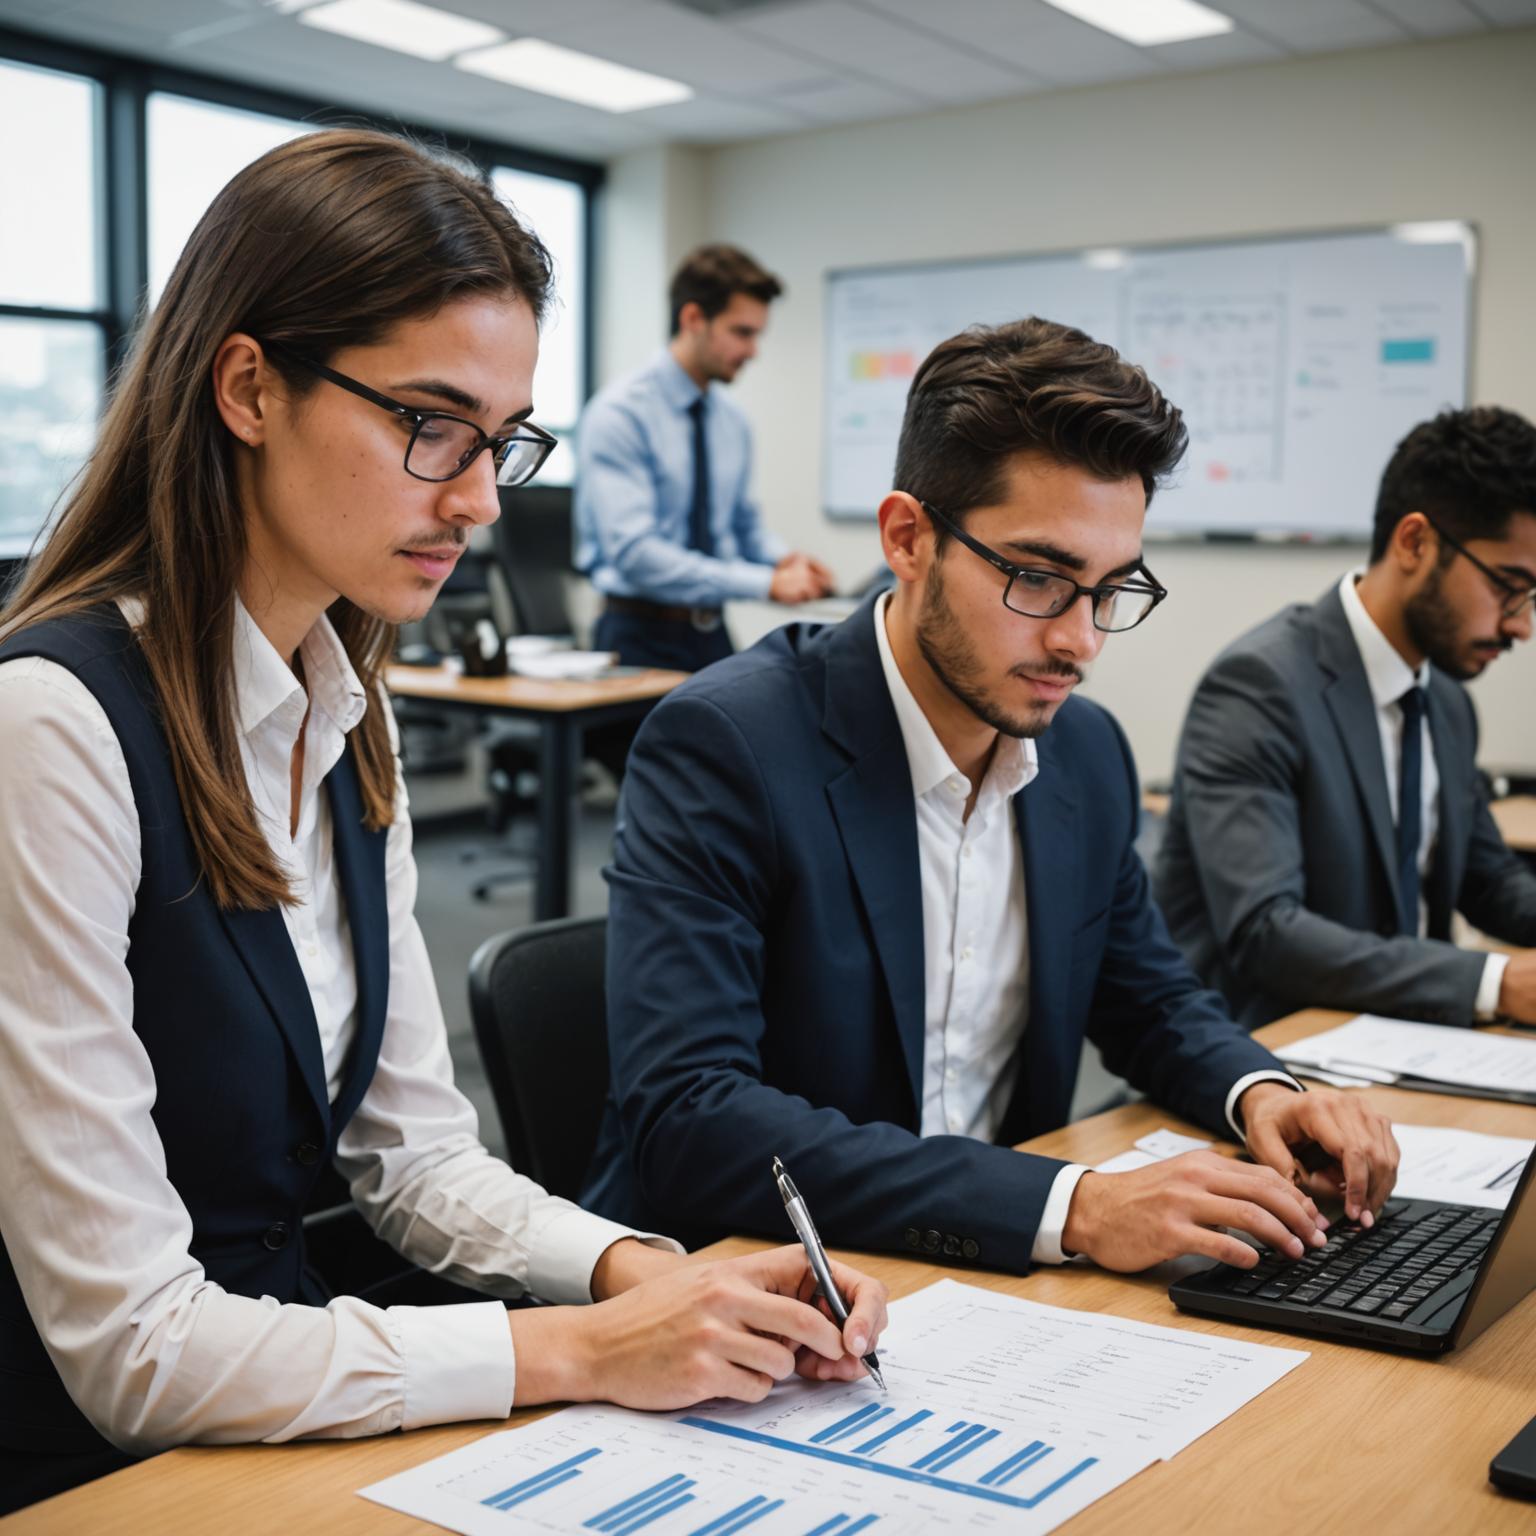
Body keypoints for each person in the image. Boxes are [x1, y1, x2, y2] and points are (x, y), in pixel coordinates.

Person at [0, 130, 884, 1516]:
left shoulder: (349, 712)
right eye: (430, 425)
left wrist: (647, 1275)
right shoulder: (52, 728)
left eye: (502, 441)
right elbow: (135, 1348)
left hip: (285, 1414)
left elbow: (410, 1157)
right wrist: (581, 1349)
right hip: (98, 1475)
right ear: (248, 387)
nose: (477, 500)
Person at [583, 317, 1398, 1277]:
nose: (1080, 641)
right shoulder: (727, 743)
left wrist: (1261, 1094)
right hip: (752, 1285)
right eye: (1040, 579)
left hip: (990, 1285)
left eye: (1112, 588)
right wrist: (1072, 1206)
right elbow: (692, 1120)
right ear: (908, 538)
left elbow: (1147, 1000)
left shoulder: (1084, 753)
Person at [1153, 407, 1536, 1030]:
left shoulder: (1445, 702)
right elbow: (1267, 930)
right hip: (1271, 1049)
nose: (1521, 626)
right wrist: (1495, 983)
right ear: (1414, 543)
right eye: (1507, 586)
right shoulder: (1259, 687)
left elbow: (1489, 881)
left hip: (1407, 1038)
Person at [575, 243, 835, 673]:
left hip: (710, 632)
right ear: (694, 319)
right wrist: (766, 583)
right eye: (742, 332)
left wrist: (783, 560)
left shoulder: (732, 422)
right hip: (637, 634)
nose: (753, 351)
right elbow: (636, 554)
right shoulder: (620, 414)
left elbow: (743, 527)